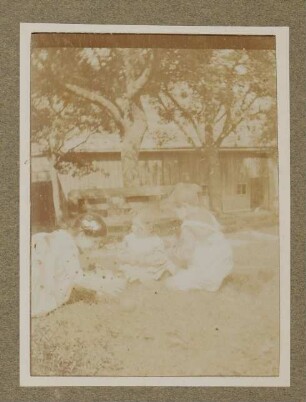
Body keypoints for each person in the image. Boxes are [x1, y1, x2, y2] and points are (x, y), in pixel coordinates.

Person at [31, 229, 126, 317]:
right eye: (94, 241)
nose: (96, 246)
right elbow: (77, 278)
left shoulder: (61, 237)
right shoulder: (68, 246)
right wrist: (104, 286)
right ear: (81, 235)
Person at [164, 188, 233, 292]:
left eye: (176, 211)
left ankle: (204, 281)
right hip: (223, 260)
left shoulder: (188, 226)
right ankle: (212, 280)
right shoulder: (207, 214)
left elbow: (186, 253)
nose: (176, 216)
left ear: (184, 206)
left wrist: (172, 252)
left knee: (169, 281)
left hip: (206, 267)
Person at [118, 208, 177, 283]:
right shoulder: (129, 239)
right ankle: (135, 279)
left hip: (151, 265)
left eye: (140, 227)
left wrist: (149, 260)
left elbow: (160, 255)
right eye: (134, 225)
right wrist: (129, 258)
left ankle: (161, 275)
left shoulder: (155, 240)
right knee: (128, 271)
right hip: (134, 264)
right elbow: (121, 253)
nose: (135, 229)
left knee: (166, 267)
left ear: (150, 228)